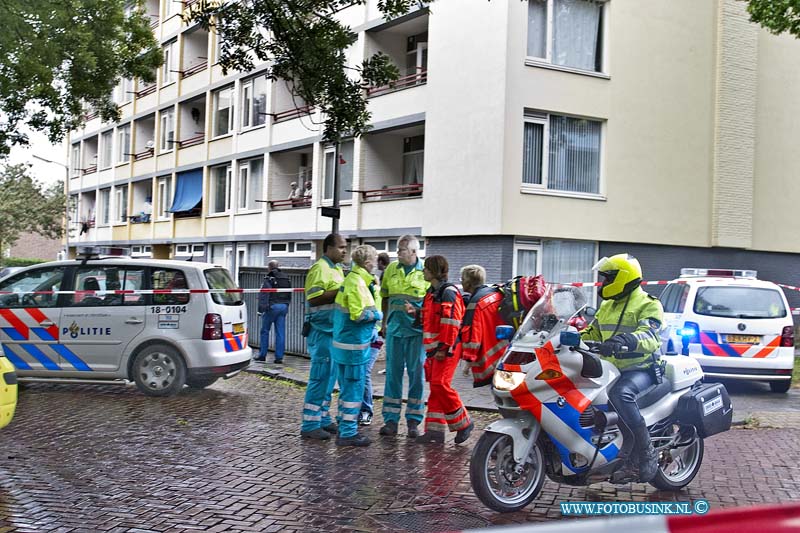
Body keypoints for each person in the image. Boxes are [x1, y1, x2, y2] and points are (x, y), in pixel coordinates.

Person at [580, 253, 664, 482]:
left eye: (608, 279)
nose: (604, 284)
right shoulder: (607, 305)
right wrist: (568, 338)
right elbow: (592, 333)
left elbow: (651, 336)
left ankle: (645, 452)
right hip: (612, 369)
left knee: (620, 394)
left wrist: (626, 341)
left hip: (641, 368)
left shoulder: (648, 303)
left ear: (622, 278)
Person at [407, 255, 473, 445]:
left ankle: (464, 423)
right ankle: (434, 432)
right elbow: (433, 318)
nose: (423, 271)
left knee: (440, 384)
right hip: (437, 348)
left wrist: (444, 348)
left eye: (426, 268)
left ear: (434, 271)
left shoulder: (447, 292)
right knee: (436, 387)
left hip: (447, 347)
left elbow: (451, 324)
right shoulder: (433, 292)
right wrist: (416, 313)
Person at [331, 245, 383, 446]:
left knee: (347, 391)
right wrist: (378, 315)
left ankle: (345, 426)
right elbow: (358, 314)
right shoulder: (357, 283)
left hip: (347, 346)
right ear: (368, 262)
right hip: (353, 348)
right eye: (374, 260)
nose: (376, 264)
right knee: (353, 391)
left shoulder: (355, 280)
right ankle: (348, 432)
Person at [379, 235, 429, 438]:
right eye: (398, 250)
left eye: (401, 250)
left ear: (414, 252)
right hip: (395, 331)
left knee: (417, 376)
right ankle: (390, 420)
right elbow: (385, 298)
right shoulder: (391, 269)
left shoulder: (425, 272)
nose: (397, 253)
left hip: (416, 333)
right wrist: (383, 323)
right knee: (392, 375)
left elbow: (431, 305)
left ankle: (413, 422)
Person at [300, 233, 347, 441]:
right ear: (328, 248)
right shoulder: (320, 269)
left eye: (346, 247)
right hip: (321, 331)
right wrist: (342, 291)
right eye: (341, 247)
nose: (345, 251)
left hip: (332, 331)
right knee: (320, 377)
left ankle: (323, 417)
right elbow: (314, 298)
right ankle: (310, 424)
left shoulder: (337, 269)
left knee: (329, 377)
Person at [459, 264, 509, 388]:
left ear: (468, 283)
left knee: (498, 390)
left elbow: (471, 334)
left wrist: (468, 360)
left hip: (490, 357)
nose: (461, 282)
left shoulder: (475, 303)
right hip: (504, 350)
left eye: (462, 279)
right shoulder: (494, 293)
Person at [361, 251, 391, 420]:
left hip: (374, 336)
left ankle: (366, 410)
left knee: (364, 372)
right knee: (360, 372)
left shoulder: (375, 292)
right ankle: (361, 410)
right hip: (367, 336)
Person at [256, 260, 292, 364]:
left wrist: (261, 309)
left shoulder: (269, 278)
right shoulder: (285, 277)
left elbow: (264, 294)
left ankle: (262, 355)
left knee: (265, 331)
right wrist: (287, 305)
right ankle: (279, 357)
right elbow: (289, 293)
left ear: (269, 267)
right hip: (283, 306)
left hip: (272, 307)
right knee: (280, 332)